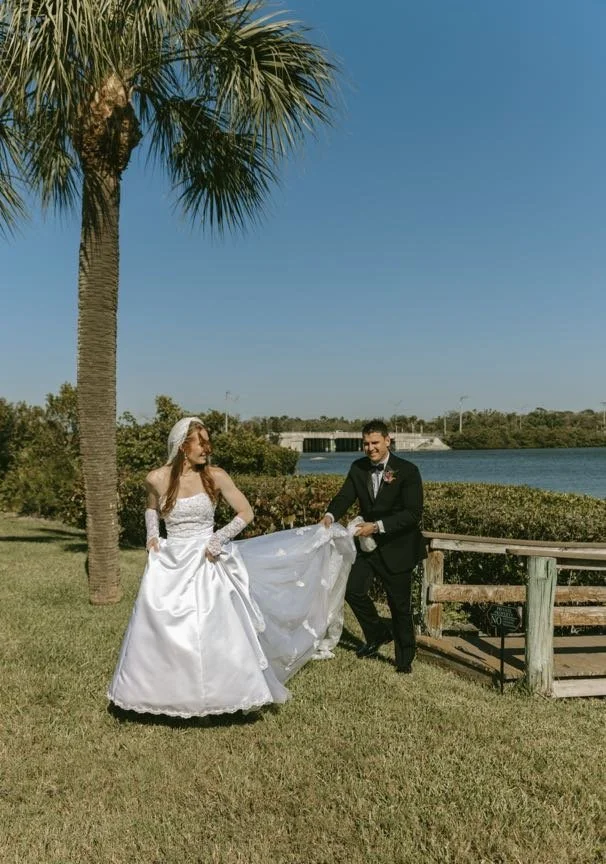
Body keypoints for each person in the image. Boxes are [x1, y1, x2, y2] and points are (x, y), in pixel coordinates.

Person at [108, 417, 355, 718]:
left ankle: (229, 695)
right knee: (161, 628)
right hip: (170, 562)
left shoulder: (215, 475)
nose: (207, 448)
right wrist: (151, 536)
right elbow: (151, 505)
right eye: (201, 442)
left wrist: (218, 538)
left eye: (208, 441)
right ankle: (156, 695)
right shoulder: (157, 478)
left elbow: (246, 512)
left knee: (214, 629)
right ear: (182, 446)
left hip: (206, 559)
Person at [323, 419, 425, 674]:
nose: (370, 448)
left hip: (398, 547)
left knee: (399, 605)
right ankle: (378, 633)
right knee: (353, 590)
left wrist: (377, 525)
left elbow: (413, 514)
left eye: (375, 443)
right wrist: (329, 516)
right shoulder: (358, 468)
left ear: (388, 441)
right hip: (368, 547)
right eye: (366, 443)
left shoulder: (408, 471)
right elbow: (345, 496)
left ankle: (404, 660)